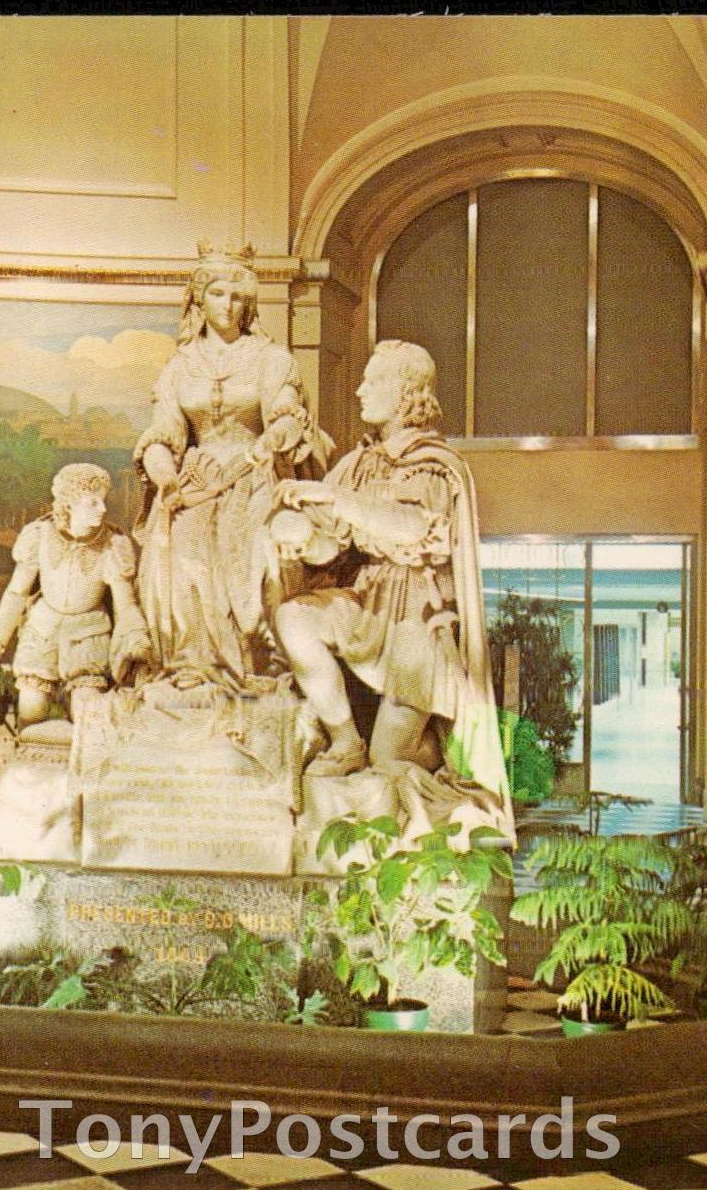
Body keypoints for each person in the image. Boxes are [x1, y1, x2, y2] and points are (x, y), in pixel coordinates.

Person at [270, 340, 508, 801]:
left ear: (405, 393)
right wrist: (302, 538)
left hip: (416, 620)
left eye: (372, 381)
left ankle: (441, 756)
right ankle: (344, 738)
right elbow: (330, 550)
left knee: (389, 762)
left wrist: (334, 498)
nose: (359, 391)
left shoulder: (434, 466)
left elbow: (412, 529)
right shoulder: (355, 464)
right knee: (294, 617)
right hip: (366, 602)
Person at [132, 242, 333, 688]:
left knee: (257, 563)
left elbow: (286, 413)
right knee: (182, 561)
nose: (230, 305)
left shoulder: (270, 359)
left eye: (240, 297)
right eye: (220, 293)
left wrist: (271, 441)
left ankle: (259, 662)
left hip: (254, 474)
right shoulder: (179, 367)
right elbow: (163, 433)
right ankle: (194, 665)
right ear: (200, 299)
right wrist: (166, 480)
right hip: (197, 481)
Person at [0, 464, 152, 728]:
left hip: (87, 636)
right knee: (31, 710)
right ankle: (28, 763)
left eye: (103, 501)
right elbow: (16, 592)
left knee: (86, 712)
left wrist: (137, 638)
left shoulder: (114, 544)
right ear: (69, 504)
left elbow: (125, 606)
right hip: (42, 632)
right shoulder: (39, 535)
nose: (102, 509)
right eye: (92, 502)